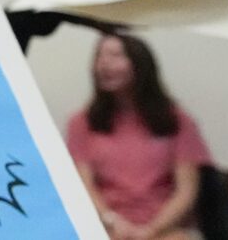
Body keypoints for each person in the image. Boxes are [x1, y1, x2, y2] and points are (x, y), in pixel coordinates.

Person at [66, 34, 212, 240]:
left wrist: (151, 230)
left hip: (163, 228)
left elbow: (186, 191)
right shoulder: (81, 122)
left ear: (140, 65)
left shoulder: (177, 120)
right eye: (99, 56)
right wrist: (112, 221)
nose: (104, 63)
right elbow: (83, 185)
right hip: (105, 226)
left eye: (116, 55)